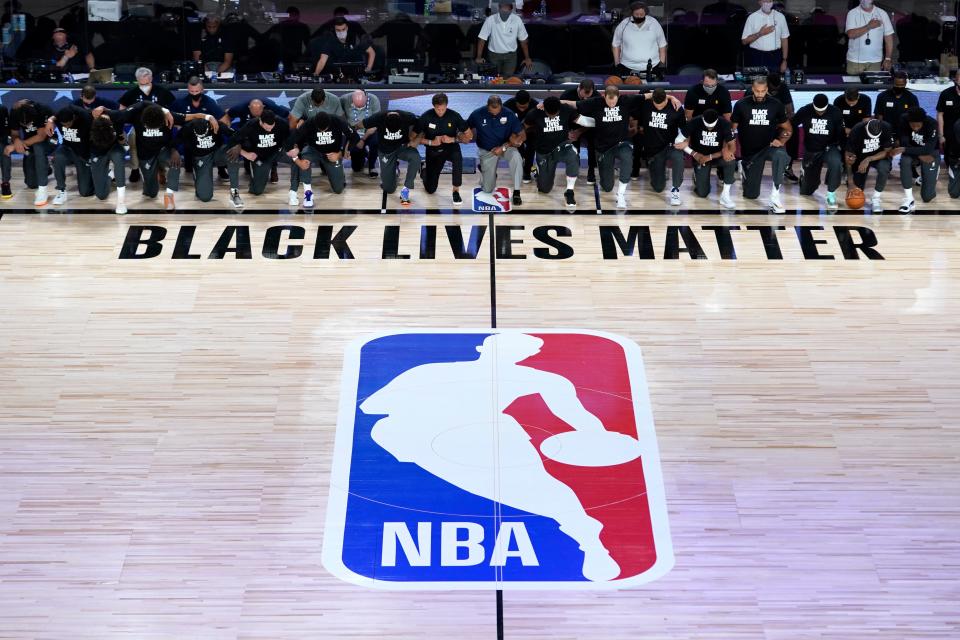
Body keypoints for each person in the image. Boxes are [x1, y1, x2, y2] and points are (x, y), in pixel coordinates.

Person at [360, 332, 621, 583]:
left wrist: (600, 439)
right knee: (520, 491)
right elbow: (373, 407)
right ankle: (584, 533)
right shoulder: (429, 373)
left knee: (542, 488)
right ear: (484, 349)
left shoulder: (540, 379)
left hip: (491, 437)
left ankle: (591, 542)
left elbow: (579, 418)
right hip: (431, 438)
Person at [102, 102, 194, 210]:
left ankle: (169, 196)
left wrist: (207, 116)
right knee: (151, 193)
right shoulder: (135, 115)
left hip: (163, 150)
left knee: (175, 163)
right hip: (145, 153)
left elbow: (190, 119)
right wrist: (103, 110)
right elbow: (116, 116)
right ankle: (154, 175)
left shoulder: (168, 115)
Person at [570, 85, 644, 209]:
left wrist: (670, 97)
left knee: (627, 159)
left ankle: (621, 195)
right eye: (609, 101)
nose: (611, 104)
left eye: (614, 101)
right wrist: (555, 103)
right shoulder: (596, 102)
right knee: (607, 187)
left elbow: (648, 96)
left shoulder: (626, 100)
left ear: (618, 97)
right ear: (604, 96)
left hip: (622, 143)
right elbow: (574, 104)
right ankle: (606, 180)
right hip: (603, 147)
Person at [731, 76, 792, 213]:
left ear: (767, 90)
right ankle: (744, 166)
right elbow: (732, 129)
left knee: (781, 155)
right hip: (751, 152)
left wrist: (781, 141)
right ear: (752, 89)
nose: (760, 94)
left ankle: (775, 196)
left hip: (769, 147)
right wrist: (730, 147)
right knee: (751, 196)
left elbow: (788, 129)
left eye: (763, 91)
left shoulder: (775, 104)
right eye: (757, 91)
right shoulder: (741, 105)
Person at [118, 67, 176, 184]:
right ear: (137, 79)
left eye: (147, 80)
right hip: (140, 126)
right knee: (132, 138)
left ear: (151, 78)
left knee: (162, 143)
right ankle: (135, 169)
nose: (145, 83)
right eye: (141, 81)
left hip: (160, 126)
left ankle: (161, 169)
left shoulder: (162, 91)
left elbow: (173, 108)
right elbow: (122, 111)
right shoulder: (131, 93)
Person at [285, 111, 354, 206]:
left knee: (338, 189)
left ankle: (339, 174)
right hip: (314, 150)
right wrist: (296, 153)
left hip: (332, 153)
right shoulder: (309, 123)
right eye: (319, 129)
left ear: (329, 124)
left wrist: (340, 153)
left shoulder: (337, 121)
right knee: (305, 159)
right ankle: (308, 194)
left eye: (324, 129)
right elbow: (291, 140)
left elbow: (355, 137)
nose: (322, 132)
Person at [523, 95, 580, 207]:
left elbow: (583, 121)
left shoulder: (566, 109)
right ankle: (537, 171)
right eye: (550, 115)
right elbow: (524, 127)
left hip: (562, 147)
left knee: (573, 156)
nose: (553, 117)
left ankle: (569, 192)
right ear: (544, 109)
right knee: (544, 189)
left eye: (555, 114)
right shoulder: (534, 113)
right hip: (544, 152)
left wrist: (580, 131)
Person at [467, 95, 525, 205]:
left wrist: (504, 146)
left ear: (501, 106)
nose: (495, 114)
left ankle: (517, 191)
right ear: (487, 106)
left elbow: (523, 135)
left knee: (516, 157)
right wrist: (464, 134)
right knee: (487, 189)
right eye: (492, 111)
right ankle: (486, 171)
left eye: (497, 111)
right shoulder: (477, 114)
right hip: (487, 150)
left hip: (506, 147)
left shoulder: (509, 114)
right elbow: (465, 127)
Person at [791, 93, 844, 209]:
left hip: (830, 147)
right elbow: (791, 124)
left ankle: (831, 194)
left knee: (836, 163)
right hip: (812, 149)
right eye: (817, 110)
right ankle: (805, 176)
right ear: (813, 105)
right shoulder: (805, 110)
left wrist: (843, 151)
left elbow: (841, 134)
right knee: (806, 191)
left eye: (823, 111)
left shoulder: (835, 112)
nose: (820, 113)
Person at [676, 108, 737, 209]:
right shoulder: (694, 121)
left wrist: (720, 153)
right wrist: (694, 153)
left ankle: (725, 195)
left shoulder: (724, 123)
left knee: (731, 159)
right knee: (702, 193)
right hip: (700, 156)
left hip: (717, 155)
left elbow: (732, 147)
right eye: (707, 126)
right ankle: (697, 175)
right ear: (702, 119)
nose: (709, 128)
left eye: (712, 126)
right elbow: (678, 141)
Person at [231, 108, 296, 202]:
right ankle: (262, 169)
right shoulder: (251, 125)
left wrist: (294, 148)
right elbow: (233, 141)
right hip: (260, 156)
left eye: (272, 127)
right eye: (266, 128)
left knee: (297, 157)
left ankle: (297, 186)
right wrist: (245, 154)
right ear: (260, 121)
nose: (269, 130)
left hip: (278, 151)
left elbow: (290, 138)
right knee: (257, 191)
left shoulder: (281, 123)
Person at [174, 115, 239, 206]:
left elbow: (235, 134)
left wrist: (237, 145)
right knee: (205, 197)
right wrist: (174, 151)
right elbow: (174, 142)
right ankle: (198, 174)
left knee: (233, 154)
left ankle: (235, 193)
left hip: (216, 152)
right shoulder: (187, 127)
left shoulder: (216, 124)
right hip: (201, 157)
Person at [360, 109, 422, 205]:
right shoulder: (377, 117)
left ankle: (406, 189)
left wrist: (415, 138)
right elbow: (359, 125)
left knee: (416, 158)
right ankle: (392, 171)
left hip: (402, 147)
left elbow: (422, 123)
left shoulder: (408, 116)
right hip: (386, 152)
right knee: (389, 189)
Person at [636, 88, 686, 206]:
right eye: (656, 105)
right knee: (658, 188)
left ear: (666, 100)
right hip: (654, 149)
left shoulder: (676, 106)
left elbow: (685, 129)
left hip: (671, 145)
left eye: (661, 105)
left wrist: (685, 142)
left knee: (678, 157)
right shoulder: (645, 104)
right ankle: (660, 170)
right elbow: (631, 99)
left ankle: (675, 190)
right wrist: (670, 96)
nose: (659, 107)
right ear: (652, 99)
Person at [418, 93, 471, 203]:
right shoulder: (426, 116)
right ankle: (424, 171)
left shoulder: (454, 116)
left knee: (458, 158)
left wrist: (453, 139)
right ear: (434, 106)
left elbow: (469, 136)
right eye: (438, 109)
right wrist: (431, 142)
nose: (441, 112)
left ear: (447, 105)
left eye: (443, 109)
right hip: (433, 150)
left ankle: (456, 191)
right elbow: (413, 138)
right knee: (431, 190)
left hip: (450, 148)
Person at [5, 99, 54, 206]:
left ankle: (43, 190)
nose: (26, 126)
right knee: (31, 184)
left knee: (38, 148)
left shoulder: (42, 110)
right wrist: (17, 141)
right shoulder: (15, 111)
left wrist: (15, 145)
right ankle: (46, 169)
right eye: (24, 124)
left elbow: (41, 136)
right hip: (29, 142)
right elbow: (14, 133)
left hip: (48, 140)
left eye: (29, 123)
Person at [47, 105, 95, 206]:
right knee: (57, 158)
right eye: (63, 125)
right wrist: (50, 121)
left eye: (68, 124)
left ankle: (107, 175)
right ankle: (61, 191)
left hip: (83, 153)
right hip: (67, 148)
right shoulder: (60, 115)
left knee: (85, 192)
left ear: (74, 118)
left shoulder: (86, 118)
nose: (66, 127)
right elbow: (53, 117)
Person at [845, 117, 895, 212]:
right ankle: (851, 181)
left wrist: (869, 159)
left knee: (884, 168)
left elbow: (887, 151)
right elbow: (848, 156)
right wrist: (851, 182)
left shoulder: (886, 127)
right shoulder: (857, 130)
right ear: (866, 128)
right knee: (857, 188)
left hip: (878, 157)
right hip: (860, 158)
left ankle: (876, 198)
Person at [896, 107, 939, 212]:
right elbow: (904, 142)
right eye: (912, 125)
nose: (915, 128)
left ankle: (931, 174)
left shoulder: (932, 123)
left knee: (927, 197)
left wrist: (906, 149)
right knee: (904, 161)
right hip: (913, 150)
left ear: (923, 122)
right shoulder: (904, 119)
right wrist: (918, 155)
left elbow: (928, 149)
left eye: (918, 125)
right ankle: (909, 199)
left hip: (930, 153)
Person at [87, 110, 128, 214]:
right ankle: (110, 175)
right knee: (101, 195)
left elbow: (122, 140)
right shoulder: (87, 120)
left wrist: (123, 141)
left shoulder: (118, 117)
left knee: (119, 158)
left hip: (114, 148)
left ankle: (121, 201)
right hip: (98, 151)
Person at [475, 1, 532, 77]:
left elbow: (523, 40)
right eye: (502, 11)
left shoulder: (517, 20)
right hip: (493, 56)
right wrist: (478, 57)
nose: (504, 13)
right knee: (494, 79)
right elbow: (482, 39)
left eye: (507, 11)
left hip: (511, 57)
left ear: (511, 10)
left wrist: (527, 58)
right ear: (499, 9)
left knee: (507, 81)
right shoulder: (491, 19)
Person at [611, 1, 667, 76]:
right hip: (627, 67)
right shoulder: (623, 24)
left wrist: (662, 64)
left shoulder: (654, 23)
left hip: (652, 67)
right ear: (632, 14)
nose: (639, 16)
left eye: (641, 14)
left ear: (645, 14)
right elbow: (615, 45)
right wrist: (617, 64)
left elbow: (662, 45)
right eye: (636, 14)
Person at [561, 79, 597, 184]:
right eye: (583, 97)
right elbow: (562, 116)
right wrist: (568, 132)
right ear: (579, 88)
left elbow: (596, 120)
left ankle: (591, 171)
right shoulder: (567, 95)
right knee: (573, 147)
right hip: (571, 126)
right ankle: (574, 169)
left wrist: (580, 131)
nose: (585, 99)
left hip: (589, 127)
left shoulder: (597, 97)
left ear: (593, 90)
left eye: (588, 97)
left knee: (593, 143)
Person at [844, 0, 894, 75]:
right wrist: (869, 26)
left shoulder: (882, 13)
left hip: (875, 61)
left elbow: (888, 37)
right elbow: (851, 34)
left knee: (873, 86)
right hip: (854, 61)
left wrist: (888, 58)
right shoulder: (852, 13)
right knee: (853, 86)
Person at [339, 89, 380, 177]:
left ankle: (372, 166)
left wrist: (362, 139)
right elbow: (338, 119)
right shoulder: (344, 99)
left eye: (361, 107)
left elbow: (376, 123)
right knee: (357, 168)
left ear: (366, 98)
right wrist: (349, 143)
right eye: (357, 107)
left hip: (369, 131)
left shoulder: (374, 99)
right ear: (352, 100)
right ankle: (364, 153)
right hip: (353, 132)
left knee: (375, 142)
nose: (359, 109)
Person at [741, 0, 790, 73]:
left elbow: (784, 39)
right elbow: (744, 41)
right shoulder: (752, 17)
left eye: (769, 1)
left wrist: (784, 60)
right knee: (758, 83)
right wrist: (760, 33)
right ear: (759, 2)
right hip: (757, 57)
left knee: (774, 82)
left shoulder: (780, 17)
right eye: (765, 1)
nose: (768, 3)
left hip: (775, 57)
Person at [504, 89, 539, 182]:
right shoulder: (507, 106)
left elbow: (539, 122)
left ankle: (527, 172)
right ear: (515, 101)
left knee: (531, 149)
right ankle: (528, 166)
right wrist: (512, 136)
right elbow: (503, 123)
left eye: (524, 107)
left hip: (531, 131)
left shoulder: (536, 106)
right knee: (519, 150)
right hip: (514, 133)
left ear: (529, 101)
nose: (522, 109)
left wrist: (525, 130)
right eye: (519, 107)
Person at [936, 69, 960, 168]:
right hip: (949, 132)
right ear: (955, 78)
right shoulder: (946, 94)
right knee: (951, 163)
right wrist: (941, 135)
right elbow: (940, 115)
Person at [0, 105, 11, 198]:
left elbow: (7, 127)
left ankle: (5, 183)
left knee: (5, 153)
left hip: (2, 138)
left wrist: (7, 139)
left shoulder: (2, 108)